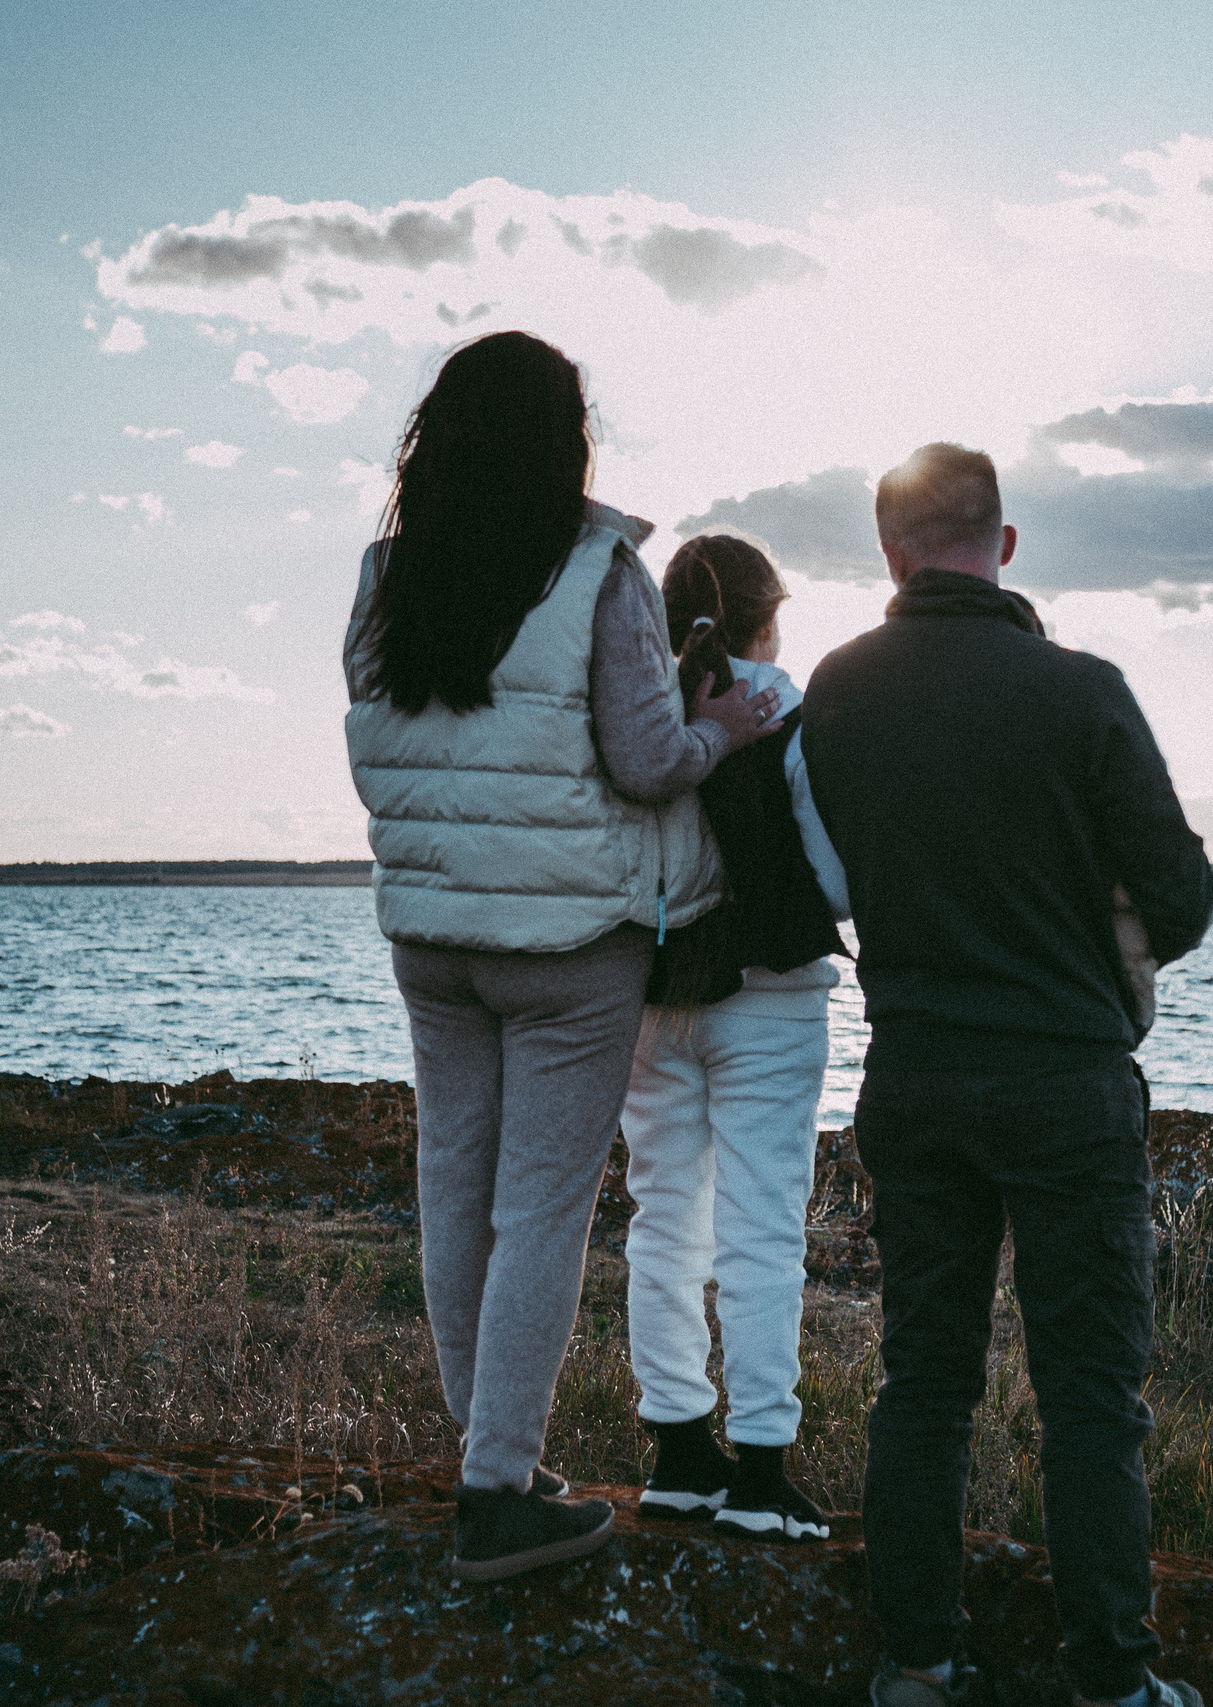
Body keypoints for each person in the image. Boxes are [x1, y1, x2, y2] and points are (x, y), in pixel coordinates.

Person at [340, 332, 781, 1583]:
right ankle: (499, 1491)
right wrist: (720, 728)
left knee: (453, 1190)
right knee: (539, 1209)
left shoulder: (386, 574)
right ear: (562, 438)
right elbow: (645, 763)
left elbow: (376, 735)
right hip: (566, 947)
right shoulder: (600, 568)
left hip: (431, 937)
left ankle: (496, 1458)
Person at [801, 444, 1213, 1707]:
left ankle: (915, 1668)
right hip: (1064, 1084)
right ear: (1007, 541)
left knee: (923, 1381)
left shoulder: (838, 690)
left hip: (916, 1076)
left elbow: (829, 870)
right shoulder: (1081, 692)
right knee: (1091, 1395)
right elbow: (1185, 902)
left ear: (888, 553)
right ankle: (1108, 1681)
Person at [620, 533, 848, 1543]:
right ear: (771, 612)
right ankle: (760, 1470)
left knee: (663, 1215)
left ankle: (676, 1454)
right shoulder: (789, 711)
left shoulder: (634, 706)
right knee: (762, 1228)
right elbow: (832, 878)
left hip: (649, 993)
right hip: (772, 993)